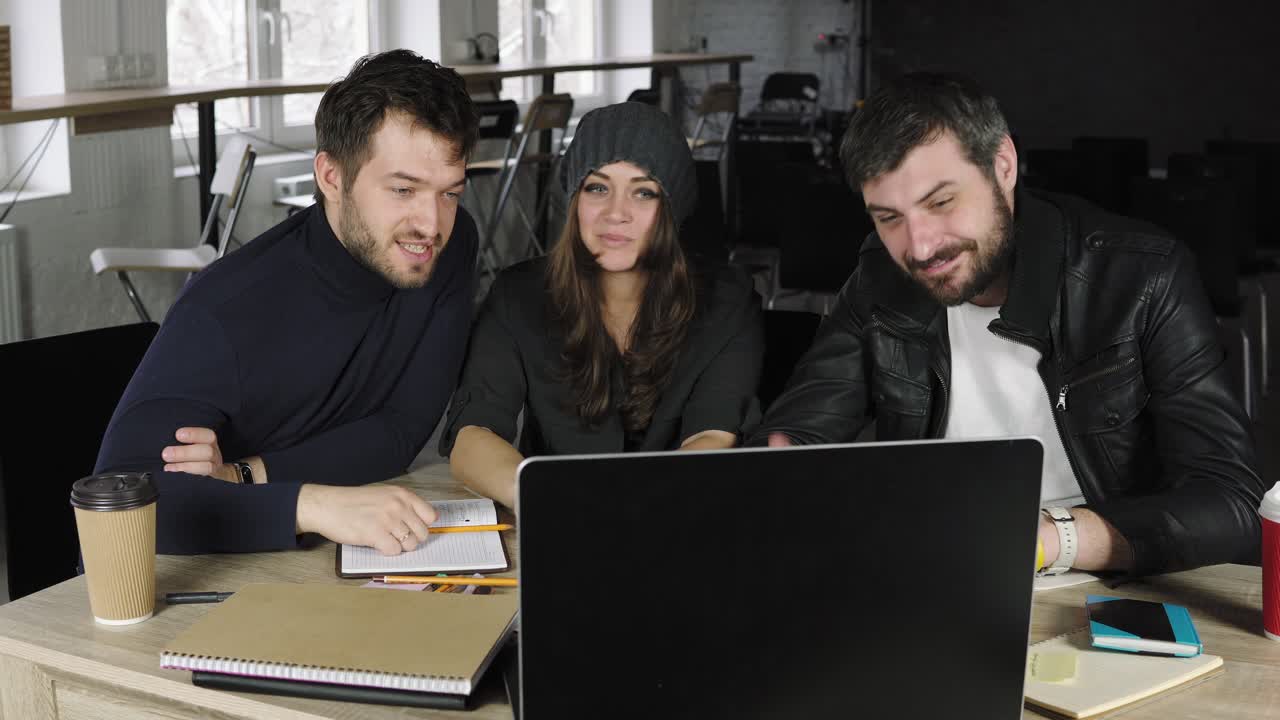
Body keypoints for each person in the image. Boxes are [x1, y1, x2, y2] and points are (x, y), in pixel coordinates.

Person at [754, 73, 1264, 577]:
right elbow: (799, 433)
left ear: (1003, 165)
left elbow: (1231, 502)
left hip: (1106, 582)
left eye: (941, 202)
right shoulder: (880, 278)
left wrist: (1043, 539)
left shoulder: (1143, 276)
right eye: (889, 217)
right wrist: (779, 468)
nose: (920, 246)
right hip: (932, 572)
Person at [94, 50, 480, 556]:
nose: (431, 224)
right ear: (332, 176)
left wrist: (242, 475)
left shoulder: (449, 248)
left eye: (449, 193)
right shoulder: (223, 310)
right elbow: (120, 506)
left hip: (306, 557)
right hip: (182, 580)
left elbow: (400, 429)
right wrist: (310, 505)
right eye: (403, 189)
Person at [441, 102, 764, 509]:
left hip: (678, 515)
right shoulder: (518, 294)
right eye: (597, 187)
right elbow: (472, 437)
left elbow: (712, 436)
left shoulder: (727, 300)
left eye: (643, 192)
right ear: (575, 199)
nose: (616, 214)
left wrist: (634, 508)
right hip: (557, 521)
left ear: (671, 209)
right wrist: (548, 500)